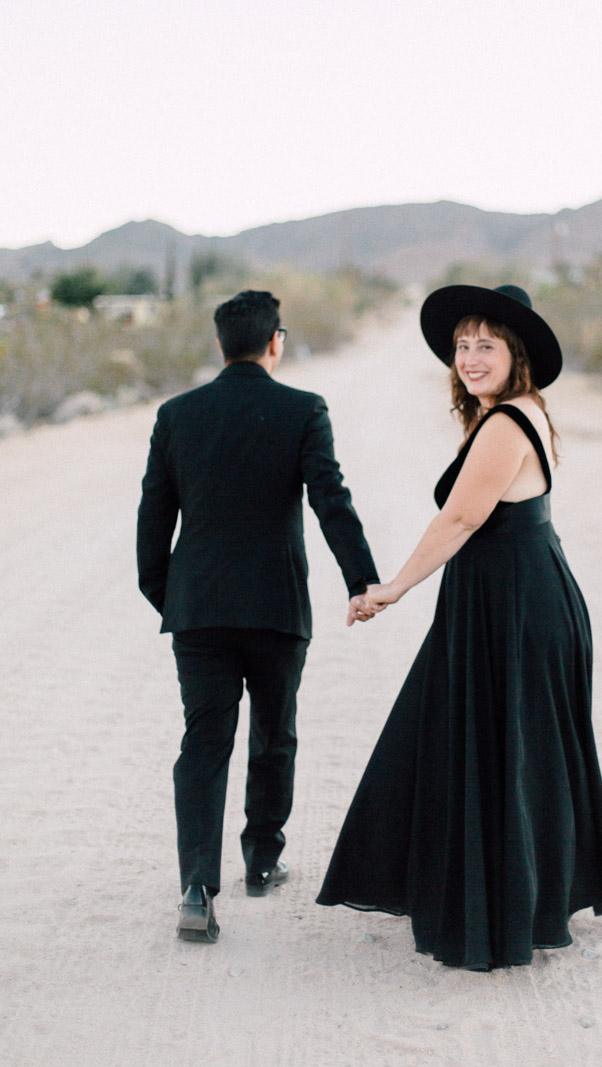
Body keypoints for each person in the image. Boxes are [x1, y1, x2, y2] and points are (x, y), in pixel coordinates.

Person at [317, 284, 602, 970]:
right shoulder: (519, 412)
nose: (469, 357)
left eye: (485, 345)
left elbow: (460, 520)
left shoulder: (503, 424)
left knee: (501, 748)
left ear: (514, 353)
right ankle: (516, 898)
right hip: (517, 597)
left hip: (515, 606)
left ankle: (502, 911)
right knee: (506, 749)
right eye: (462, 346)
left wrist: (393, 587)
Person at [137, 289, 379, 942]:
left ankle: (195, 886)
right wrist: (361, 578)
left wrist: (176, 599)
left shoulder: (177, 414)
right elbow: (331, 498)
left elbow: (152, 524)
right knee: (275, 733)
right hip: (276, 607)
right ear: (277, 341)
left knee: (205, 742)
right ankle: (262, 859)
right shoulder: (303, 410)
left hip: (200, 612)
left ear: (221, 345)